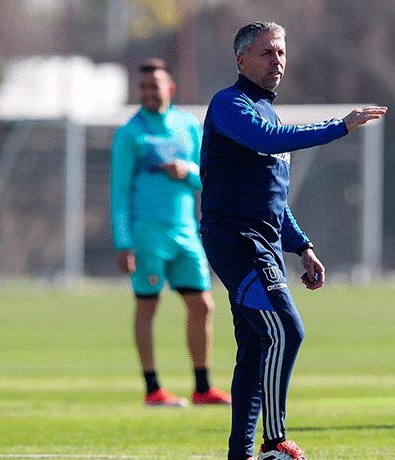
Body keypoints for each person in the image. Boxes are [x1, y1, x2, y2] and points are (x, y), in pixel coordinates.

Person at [199, 21, 386, 460]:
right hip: (236, 240)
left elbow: (274, 200)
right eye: (266, 53)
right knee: (287, 330)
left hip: (261, 242)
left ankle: (242, 453)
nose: (277, 61)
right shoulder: (230, 104)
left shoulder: (270, 113)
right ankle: (274, 440)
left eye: (281, 52)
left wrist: (303, 246)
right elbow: (266, 141)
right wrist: (339, 126)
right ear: (242, 60)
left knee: (256, 346)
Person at [110, 58, 232, 407]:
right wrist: (123, 242)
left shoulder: (188, 125)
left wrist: (187, 171)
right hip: (147, 234)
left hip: (186, 232)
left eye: (155, 86)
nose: (149, 93)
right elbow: (119, 191)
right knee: (148, 306)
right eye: (143, 87)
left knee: (203, 305)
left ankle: (203, 388)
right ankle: (153, 389)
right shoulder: (130, 133)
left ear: (170, 88)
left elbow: (208, 177)